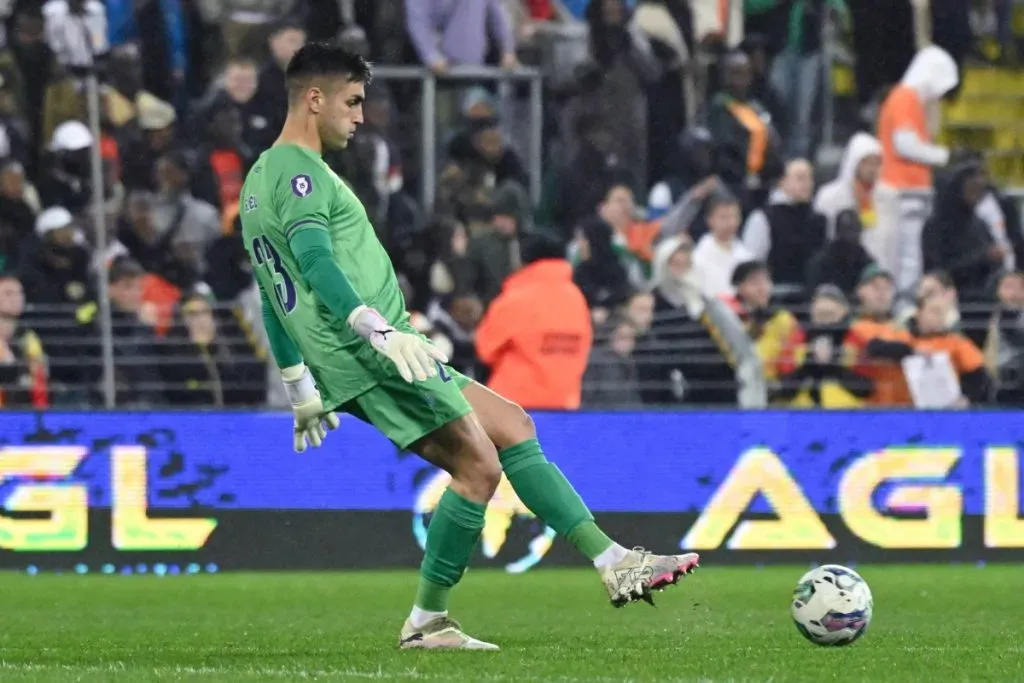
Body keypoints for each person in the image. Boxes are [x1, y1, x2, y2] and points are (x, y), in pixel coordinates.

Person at [238, 43, 699, 652]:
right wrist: (374, 328)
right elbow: (316, 262)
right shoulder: (302, 175)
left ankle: (614, 562)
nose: (359, 116)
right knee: (477, 469)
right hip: (373, 352)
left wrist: (299, 386)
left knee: (512, 424)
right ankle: (428, 621)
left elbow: (275, 294)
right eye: (351, 102)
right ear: (314, 98)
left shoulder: (257, 182)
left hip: (369, 348)